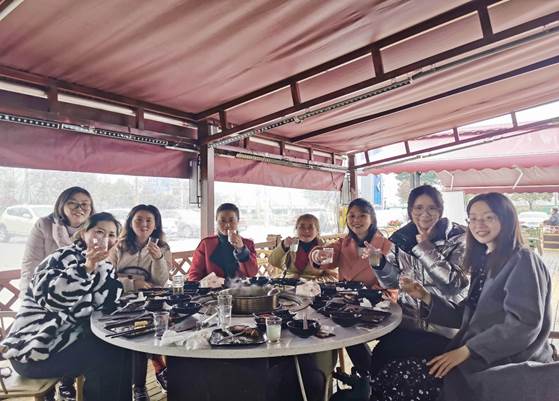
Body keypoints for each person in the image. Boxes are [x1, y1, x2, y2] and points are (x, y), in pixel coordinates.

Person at [370, 192, 554, 401]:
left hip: (506, 362)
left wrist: (468, 351)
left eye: (488, 217)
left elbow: (524, 325)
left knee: (405, 379)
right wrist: (424, 296)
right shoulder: (486, 261)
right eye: (473, 218)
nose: (479, 224)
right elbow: (467, 314)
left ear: (506, 219)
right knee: (389, 366)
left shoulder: (522, 259)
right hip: (473, 353)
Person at [2, 212, 132, 401]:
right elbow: (52, 300)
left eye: (112, 235)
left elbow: (104, 306)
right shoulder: (61, 257)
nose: (105, 239)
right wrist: (86, 268)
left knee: (122, 346)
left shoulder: (105, 267)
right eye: (99, 232)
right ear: (84, 233)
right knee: (105, 353)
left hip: (68, 343)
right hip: (34, 350)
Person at [368, 185, 468, 376]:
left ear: (440, 210)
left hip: (445, 329)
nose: (425, 214)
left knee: (426, 374)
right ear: (410, 211)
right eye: (418, 208)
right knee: (380, 359)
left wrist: (424, 247)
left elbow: (454, 285)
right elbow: (393, 283)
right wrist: (379, 264)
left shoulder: (459, 237)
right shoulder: (400, 238)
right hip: (408, 324)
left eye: (432, 208)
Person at [20, 186, 95, 401]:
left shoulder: (93, 230)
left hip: (78, 298)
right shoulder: (44, 225)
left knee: (81, 335)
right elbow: (30, 265)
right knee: (48, 337)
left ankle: (67, 383)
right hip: (45, 297)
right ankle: (48, 390)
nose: (79, 208)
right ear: (62, 204)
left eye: (85, 204)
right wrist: (33, 300)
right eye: (73, 202)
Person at [312, 198, 395, 374]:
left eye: (362, 215)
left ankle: (370, 374)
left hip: (375, 304)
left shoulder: (385, 245)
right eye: (352, 216)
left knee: (353, 333)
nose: (356, 220)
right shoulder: (344, 243)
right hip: (346, 303)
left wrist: (370, 294)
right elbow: (326, 256)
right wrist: (317, 255)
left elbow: (391, 281)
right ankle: (367, 375)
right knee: (337, 328)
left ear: (372, 218)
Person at [110, 205, 171, 401]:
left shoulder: (162, 247)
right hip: (120, 301)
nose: (144, 224)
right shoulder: (118, 246)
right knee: (138, 336)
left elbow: (160, 281)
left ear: (155, 225)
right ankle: (152, 375)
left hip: (150, 302)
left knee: (145, 333)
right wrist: (132, 282)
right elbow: (108, 277)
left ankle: (140, 386)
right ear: (130, 222)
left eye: (149, 221)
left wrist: (158, 258)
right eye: (139, 219)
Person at [188, 203, 258, 281]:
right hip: (212, 288)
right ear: (216, 221)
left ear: (238, 221)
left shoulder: (248, 244)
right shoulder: (206, 244)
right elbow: (194, 274)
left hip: (241, 288)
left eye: (231, 220)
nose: (227, 225)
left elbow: (252, 273)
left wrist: (241, 249)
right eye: (223, 221)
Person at [268, 213, 337, 282]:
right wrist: (283, 246)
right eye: (302, 227)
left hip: (314, 286)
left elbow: (332, 276)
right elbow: (273, 262)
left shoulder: (324, 248)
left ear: (317, 231)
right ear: (296, 229)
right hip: (289, 284)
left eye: (310, 227)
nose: (306, 231)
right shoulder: (289, 244)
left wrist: (311, 283)